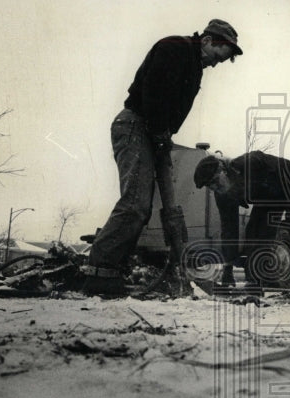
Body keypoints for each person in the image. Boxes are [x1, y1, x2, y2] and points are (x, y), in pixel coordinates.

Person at [83, 19, 242, 296]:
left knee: (165, 209)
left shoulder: (192, 63)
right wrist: (159, 132)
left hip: (155, 133)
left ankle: (126, 268)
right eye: (217, 57)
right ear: (206, 40)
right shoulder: (175, 48)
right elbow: (156, 92)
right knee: (135, 204)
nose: (215, 64)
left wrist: (163, 137)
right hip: (137, 126)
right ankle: (99, 270)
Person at [193, 151, 290, 290]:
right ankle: (259, 280)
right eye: (210, 186)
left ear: (224, 170)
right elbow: (229, 230)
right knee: (254, 232)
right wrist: (228, 269)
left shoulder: (250, 162)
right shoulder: (223, 195)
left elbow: (285, 168)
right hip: (268, 197)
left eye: (215, 181)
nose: (215, 188)